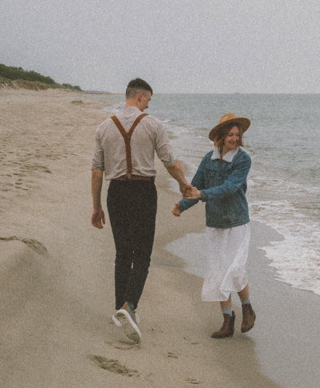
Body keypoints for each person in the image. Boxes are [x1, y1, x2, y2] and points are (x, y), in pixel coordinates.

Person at [91, 78, 195, 344]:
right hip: (142, 192)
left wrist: (96, 206)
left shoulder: (104, 127)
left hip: (116, 193)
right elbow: (169, 161)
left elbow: (96, 170)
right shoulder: (152, 124)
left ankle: (120, 309)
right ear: (139, 96)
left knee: (123, 253)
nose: (149, 104)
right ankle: (129, 306)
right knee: (143, 254)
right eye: (148, 99)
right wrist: (183, 184)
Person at [172, 111, 256, 339]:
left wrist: (203, 193)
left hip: (237, 222)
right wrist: (182, 205)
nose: (234, 139)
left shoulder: (243, 159)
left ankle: (247, 308)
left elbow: (230, 187)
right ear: (220, 136)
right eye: (230, 134)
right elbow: (196, 186)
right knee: (218, 272)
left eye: (237, 135)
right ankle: (227, 321)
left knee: (235, 269)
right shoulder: (208, 159)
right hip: (215, 223)